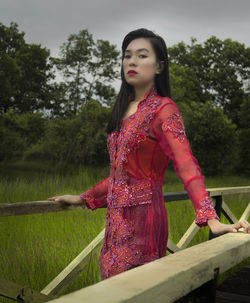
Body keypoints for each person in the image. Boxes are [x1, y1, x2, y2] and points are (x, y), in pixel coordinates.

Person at [48, 28, 250, 280]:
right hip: (114, 226)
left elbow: (186, 165)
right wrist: (85, 197)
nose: (131, 61)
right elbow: (122, 176)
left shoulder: (165, 109)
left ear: (159, 66)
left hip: (144, 223)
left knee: (136, 290)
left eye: (142, 55)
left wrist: (212, 220)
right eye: (127, 55)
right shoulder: (122, 109)